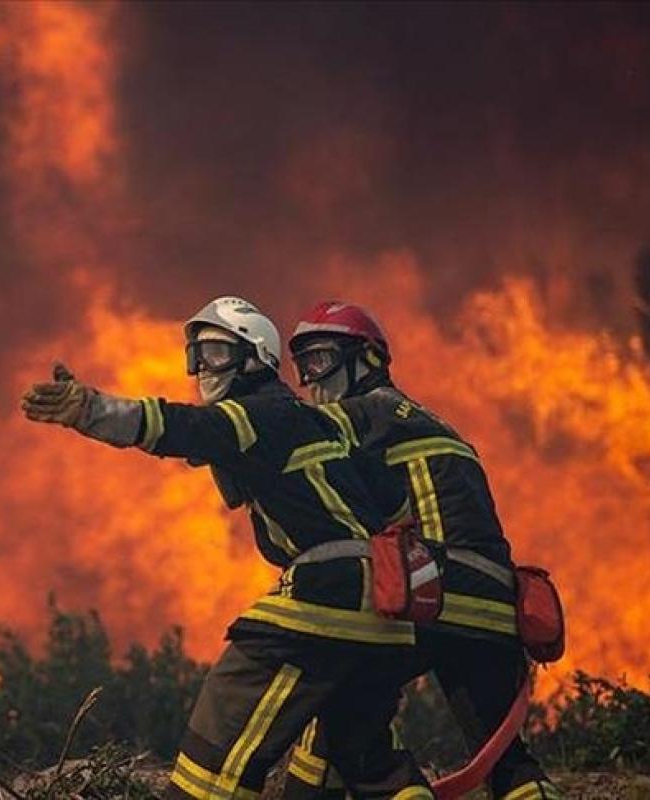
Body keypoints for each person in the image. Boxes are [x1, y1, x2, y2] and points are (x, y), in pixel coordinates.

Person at [22, 296, 432, 800]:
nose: (201, 369)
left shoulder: (255, 412)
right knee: (369, 763)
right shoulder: (317, 421)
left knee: (219, 737)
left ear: (255, 358)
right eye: (195, 355)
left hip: (329, 599)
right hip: (386, 617)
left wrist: (92, 410)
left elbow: (182, 427)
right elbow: (394, 507)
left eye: (216, 353)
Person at [282, 300, 560, 800]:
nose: (311, 379)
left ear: (366, 359)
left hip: (431, 595)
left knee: (351, 723)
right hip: (494, 606)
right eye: (302, 366)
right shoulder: (437, 423)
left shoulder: (363, 413)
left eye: (321, 360)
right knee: (507, 763)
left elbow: (294, 441)